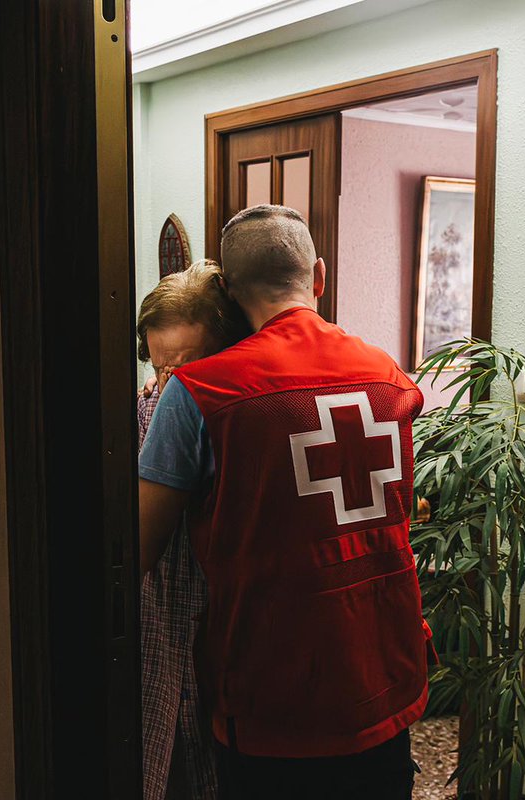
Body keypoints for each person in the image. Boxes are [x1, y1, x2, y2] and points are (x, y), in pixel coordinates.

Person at [138, 205, 431, 799]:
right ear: (318, 276)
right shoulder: (390, 375)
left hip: (274, 690)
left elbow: (131, 551)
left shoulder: (200, 393)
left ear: (224, 288)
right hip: (382, 673)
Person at [136, 260, 250, 800]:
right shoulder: (135, 417)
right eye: (160, 369)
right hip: (158, 642)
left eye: (187, 368)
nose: (168, 387)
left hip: (230, 645)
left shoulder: (248, 423)